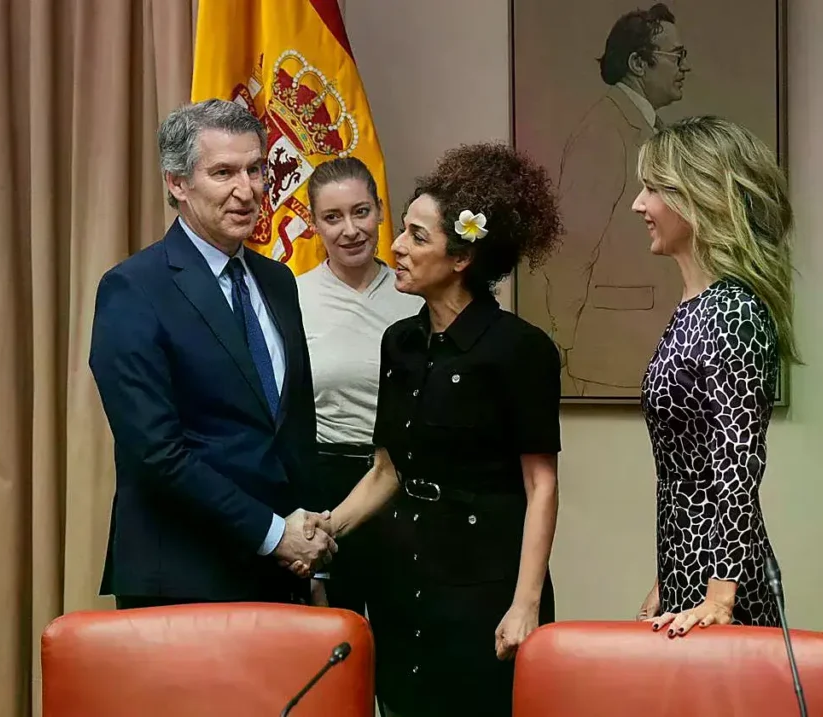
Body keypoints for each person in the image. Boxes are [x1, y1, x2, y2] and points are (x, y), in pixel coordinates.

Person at [292, 143, 564, 716]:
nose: (395, 246)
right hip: (404, 575)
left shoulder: (521, 350)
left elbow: (541, 486)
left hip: (482, 586)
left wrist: (526, 604)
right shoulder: (401, 342)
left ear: (461, 257)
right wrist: (323, 532)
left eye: (417, 236)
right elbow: (387, 470)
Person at [88, 99, 336, 610]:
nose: (247, 191)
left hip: (281, 575)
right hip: (182, 577)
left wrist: (309, 549)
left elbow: (294, 428)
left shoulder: (277, 281)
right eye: (223, 173)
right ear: (177, 183)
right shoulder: (133, 288)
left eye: (255, 170)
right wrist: (272, 533)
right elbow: (156, 452)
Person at [630, 115, 799, 636]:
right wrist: (667, 575)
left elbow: (737, 462)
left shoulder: (733, 311)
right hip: (690, 570)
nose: (639, 204)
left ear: (699, 197)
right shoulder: (696, 306)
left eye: (653, 188)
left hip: (724, 584)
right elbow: (689, 464)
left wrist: (720, 594)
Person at [295, 157, 422, 616]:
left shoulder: (417, 296)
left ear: (382, 211)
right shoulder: (292, 298)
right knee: (333, 645)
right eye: (333, 217)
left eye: (361, 211)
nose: (350, 230)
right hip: (325, 486)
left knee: (404, 647)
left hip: (404, 485)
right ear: (314, 225)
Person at [545, 3, 691, 396]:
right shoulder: (603, 132)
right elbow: (570, 247)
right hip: (612, 353)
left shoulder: (648, 128)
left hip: (646, 346)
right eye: (676, 56)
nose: (683, 67)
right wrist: (565, 335)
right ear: (638, 64)